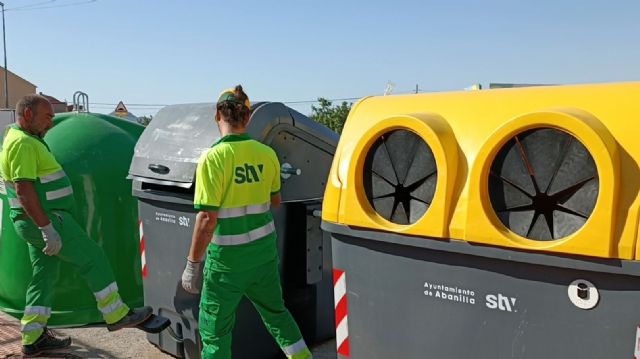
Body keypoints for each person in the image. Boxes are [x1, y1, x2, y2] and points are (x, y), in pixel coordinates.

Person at [0, 94, 153, 357]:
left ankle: (33, 336)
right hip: (47, 219)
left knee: (43, 276)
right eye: (46, 117)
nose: (50, 123)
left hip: (32, 221)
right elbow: (24, 190)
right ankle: (116, 313)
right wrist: (47, 228)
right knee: (93, 258)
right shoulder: (23, 144)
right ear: (27, 114)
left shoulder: (19, 139)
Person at [181, 85, 312, 359]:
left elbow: (206, 218)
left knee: (216, 332)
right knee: (277, 315)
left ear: (218, 115)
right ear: (248, 117)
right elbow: (274, 201)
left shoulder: (213, 158)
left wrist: (192, 264)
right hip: (263, 256)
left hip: (227, 264)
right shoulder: (267, 154)